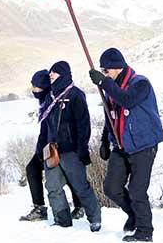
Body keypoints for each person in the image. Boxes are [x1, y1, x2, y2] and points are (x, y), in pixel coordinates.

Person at [89, 48, 163, 242]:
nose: (105, 74)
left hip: (143, 145)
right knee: (111, 187)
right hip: (122, 146)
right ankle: (133, 214)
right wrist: (105, 140)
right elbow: (110, 116)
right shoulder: (112, 88)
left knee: (137, 190)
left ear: (117, 68)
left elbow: (128, 101)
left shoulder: (140, 83)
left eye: (106, 71)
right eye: (103, 71)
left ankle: (145, 232)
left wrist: (104, 83)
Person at [37, 61, 101, 231]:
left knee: (80, 186)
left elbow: (83, 124)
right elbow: (45, 125)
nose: (51, 75)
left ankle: (95, 219)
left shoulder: (75, 95)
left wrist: (83, 149)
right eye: (50, 72)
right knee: (52, 186)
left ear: (64, 74)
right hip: (52, 151)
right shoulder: (49, 96)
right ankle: (62, 219)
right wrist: (41, 147)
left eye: (54, 72)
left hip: (71, 150)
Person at [20, 70, 84, 222]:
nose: (33, 90)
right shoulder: (44, 101)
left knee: (68, 173)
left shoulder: (54, 100)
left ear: (44, 87)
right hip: (46, 147)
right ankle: (40, 208)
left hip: (61, 146)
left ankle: (80, 207)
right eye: (33, 86)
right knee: (32, 168)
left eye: (37, 87)